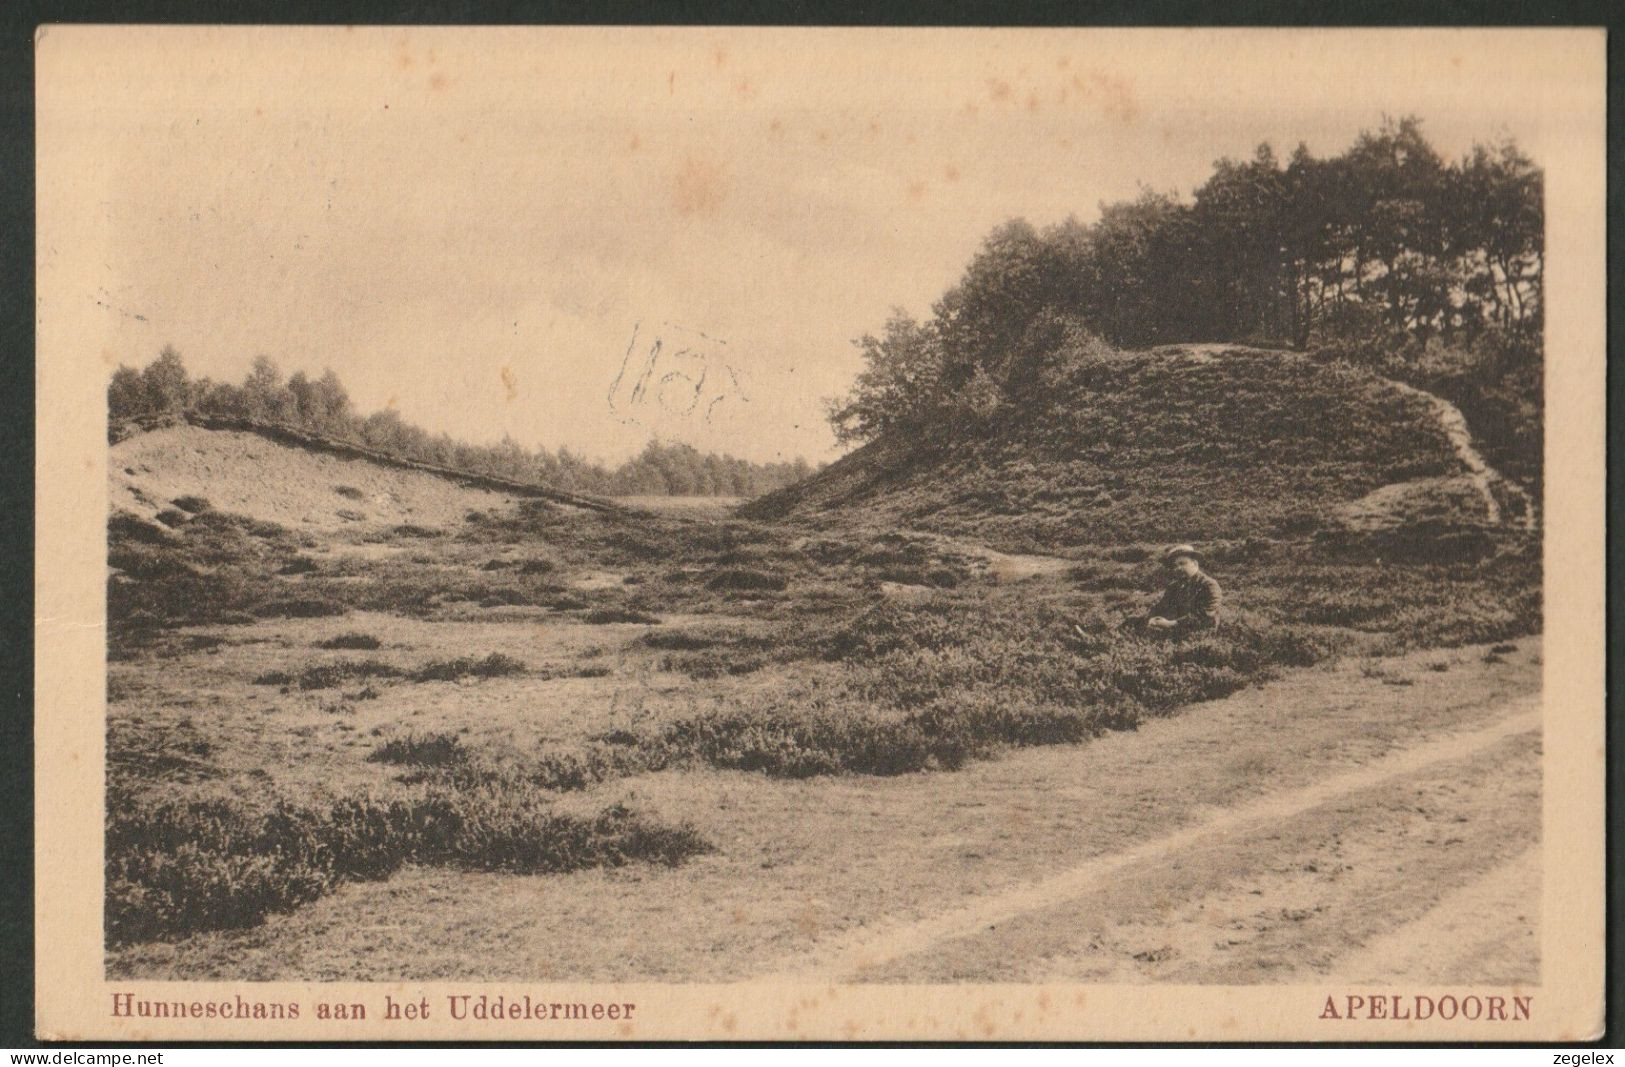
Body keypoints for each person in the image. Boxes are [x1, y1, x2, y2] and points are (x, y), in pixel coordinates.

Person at [1142, 543, 1222, 635]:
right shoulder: (1174, 586)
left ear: (1195, 564)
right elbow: (1161, 607)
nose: (1178, 568)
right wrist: (1152, 618)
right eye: (1175, 566)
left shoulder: (1209, 585)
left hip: (1198, 631)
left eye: (1182, 563)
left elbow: (1205, 615)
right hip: (1174, 628)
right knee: (1131, 623)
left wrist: (1171, 624)